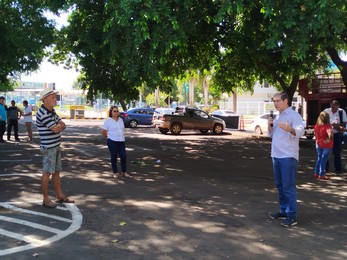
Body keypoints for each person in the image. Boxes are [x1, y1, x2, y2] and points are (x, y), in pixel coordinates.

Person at [268, 92, 305, 228]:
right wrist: (270, 125)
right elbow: (273, 134)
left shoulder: (294, 115)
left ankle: (292, 215)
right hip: (276, 155)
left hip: (288, 156)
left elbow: (301, 131)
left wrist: (291, 129)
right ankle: (283, 211)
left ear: (286, 101)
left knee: (288, 186)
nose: (275, 103)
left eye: (278, 101)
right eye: (274, 101)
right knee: (280, 185)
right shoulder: (278, 116)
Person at [36, 88, 74, 208]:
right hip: (48, 147)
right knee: (47, 172)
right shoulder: (42, 113)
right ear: (45, 99)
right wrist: (60, 126)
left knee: (56, 172)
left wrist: (60, 126)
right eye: (52, 97)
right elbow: (56, 128)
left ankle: (59, 196)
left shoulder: (51, 111)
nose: (55, 99)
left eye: (54, 97)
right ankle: (46, 199)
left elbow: (62, 125)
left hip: (55, 146)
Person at [101, 106, 130, 179]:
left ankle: (124, 172)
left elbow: (122, 130)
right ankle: (115, 172)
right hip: (112, 141)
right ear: (111, 112)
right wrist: (107, 138)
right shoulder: (108, 120)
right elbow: (103, 131)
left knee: (123, 156)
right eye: (114, 111)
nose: (116, 112)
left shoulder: (120, 120)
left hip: (121, 141)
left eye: (117, 111)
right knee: (114, 156)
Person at [324, 100, 347, 174]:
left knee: (337, 152)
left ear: (338, 106)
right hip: (327, 134)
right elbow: (321, 121)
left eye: (336, 108)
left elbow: (344, 122)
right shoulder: (326, 111)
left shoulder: (341, 112)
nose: (334, 110)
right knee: (326, 152)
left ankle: (338, 169)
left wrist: (337, 125)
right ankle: (325, 169)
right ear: (330, 105)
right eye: (333, 108)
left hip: (337, 134)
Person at [314, 112, 333, 180]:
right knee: (324, 159)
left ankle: (316, 173)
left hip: (318, 143)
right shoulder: (327, 126)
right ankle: (321, 174)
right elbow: (330, 134)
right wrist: (329, 139)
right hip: (326, 145)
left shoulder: (316, 126)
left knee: (319, 158)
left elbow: (315, 135)